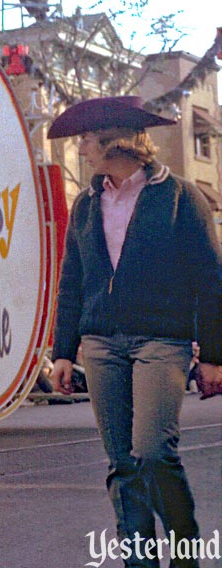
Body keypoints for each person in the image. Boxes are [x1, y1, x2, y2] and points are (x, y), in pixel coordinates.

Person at [47, 96, 222, 564]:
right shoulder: (87, 203)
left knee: (151, 452)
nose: (81, 148)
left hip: (161, 341)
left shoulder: (181, 195)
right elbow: (72, 279)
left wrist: (213, 355)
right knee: (123, 463)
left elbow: (210, 278)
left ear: (113, 139)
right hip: (101, 344)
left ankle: (185, 548)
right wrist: (63, 350)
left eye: (86, 138)